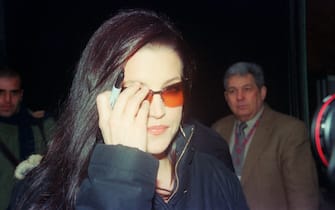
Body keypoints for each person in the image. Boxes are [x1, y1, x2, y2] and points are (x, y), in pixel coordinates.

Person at [9, 9, 248, 210]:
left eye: (171, 90)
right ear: (101, 96)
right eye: (137, 93)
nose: (158, 110)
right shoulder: (44, 192)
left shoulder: (216, 177)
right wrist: (120, 178)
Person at [212, 61, 319, 210]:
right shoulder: (217, 130)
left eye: (247, 89)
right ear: (226, 96)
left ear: (262, 93)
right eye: (232, 91)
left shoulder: (290, 131)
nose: (240, 97)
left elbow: (303, 198)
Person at [0, 67, 55, 210]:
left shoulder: (41, 126)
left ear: (21, 95)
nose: (7, 100)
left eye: (14, 93)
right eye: (0, 92)